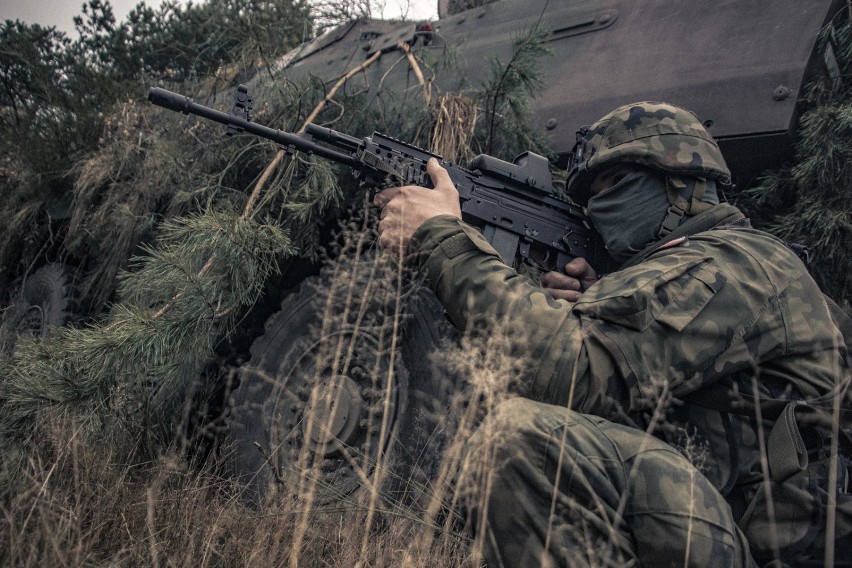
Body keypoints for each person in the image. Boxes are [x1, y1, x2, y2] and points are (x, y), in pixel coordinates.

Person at [374, 101, 851, 567]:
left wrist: (442, 238)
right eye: (588, 199)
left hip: (780, 550)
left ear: (683, 183)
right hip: (730, 532)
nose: (599, 210)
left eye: (617, 185)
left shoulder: (739, 263)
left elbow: (572, 373)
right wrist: (604, 303)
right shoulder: (701, 267)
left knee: (524, 439)